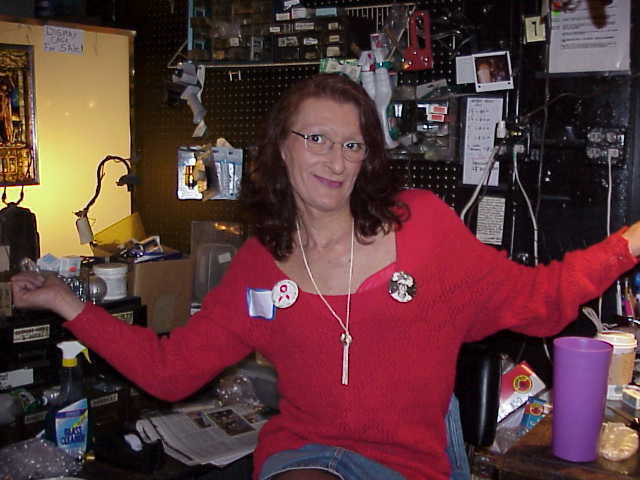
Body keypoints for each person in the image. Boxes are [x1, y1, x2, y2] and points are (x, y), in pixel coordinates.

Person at [11, 73, 640, 480]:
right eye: (317, 138)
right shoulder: (260, 263)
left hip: (410, 464)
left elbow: (538, 302)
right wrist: (68, 302)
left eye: (352, 144)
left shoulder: (423, 228)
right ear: (281, 147)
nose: (335, 161)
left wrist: (629, 243)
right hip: (305, 456)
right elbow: (171, 372)